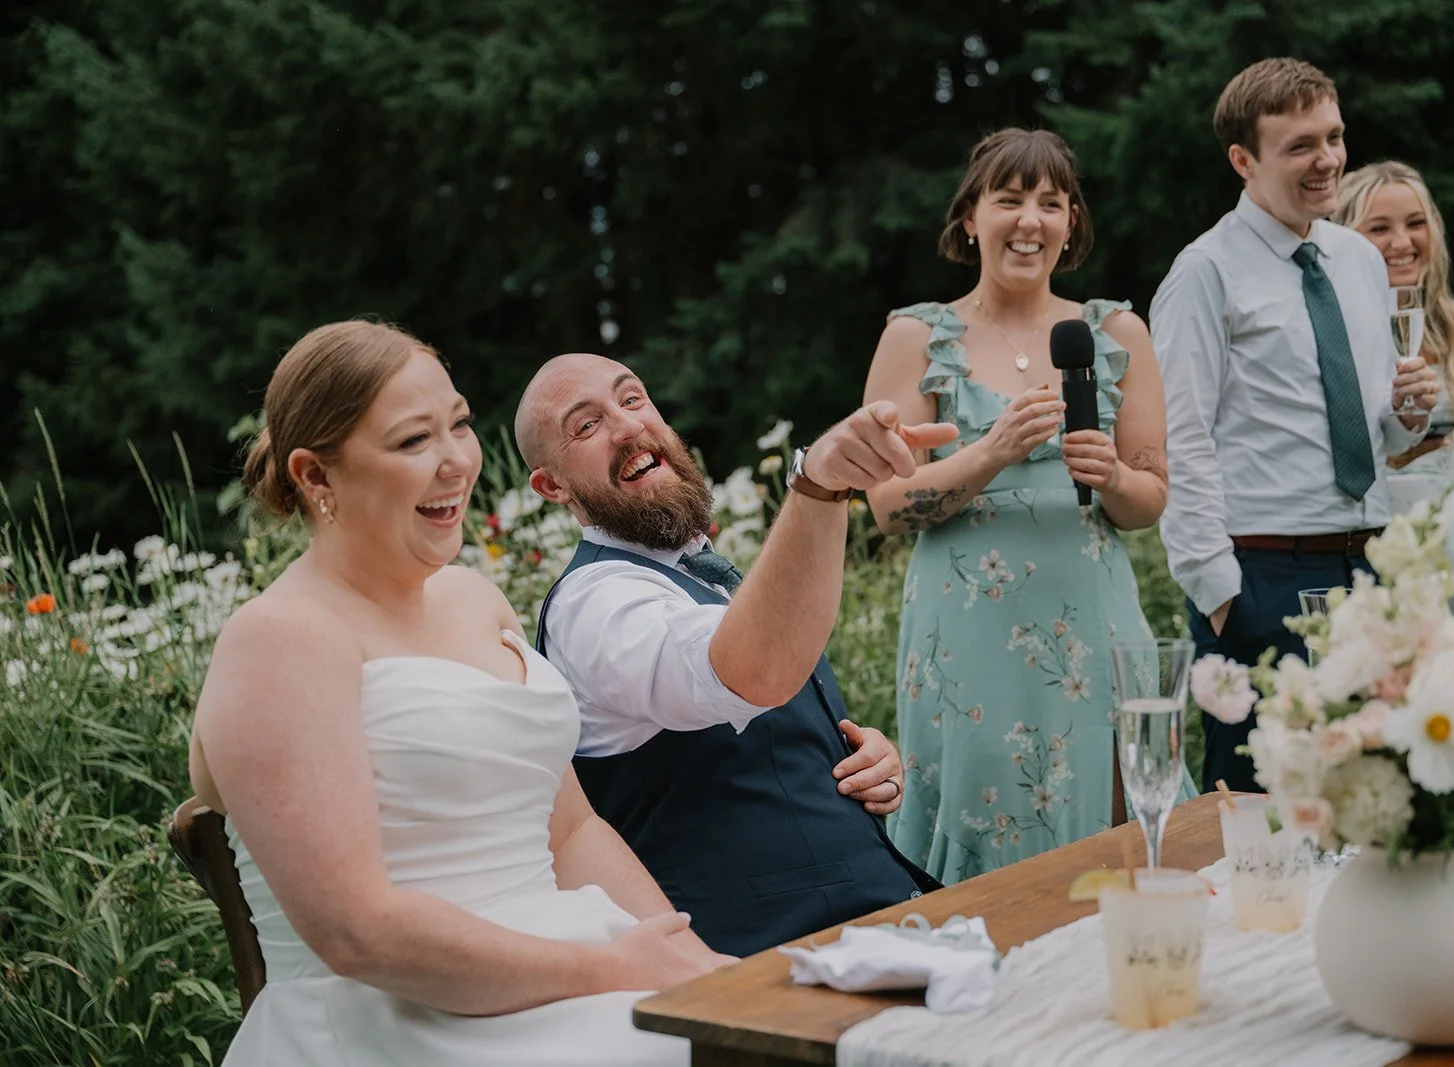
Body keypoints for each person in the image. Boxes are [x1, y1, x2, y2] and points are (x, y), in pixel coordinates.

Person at [190, 321, 724, 1066]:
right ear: (316, 477)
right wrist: (611, 970)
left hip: (571, 969)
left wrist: (692, 966)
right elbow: (355, 933)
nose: (457, 462)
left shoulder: (476, 598)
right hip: (403, 1017)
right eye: (414, 440)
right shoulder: (280, 639)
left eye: (460, 424)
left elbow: (571, 831)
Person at [517, 354, 949, 956]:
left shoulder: (699, 573)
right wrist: (817, 485)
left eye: (632, 399)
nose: (628, 426)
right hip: (759, 961)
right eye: (586, 425)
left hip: (876, 925)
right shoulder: (593, 604)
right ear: (552, 486)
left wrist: (857, 757)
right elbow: (749, 671)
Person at [860, 127, 1181, 884]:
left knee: (1119, 837)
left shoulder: (1114, 331)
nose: (1030, 220)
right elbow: (886, 507)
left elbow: (1149, 501)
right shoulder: (916, 337)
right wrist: (990, 452)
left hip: (1093, 628)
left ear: (1072, 223)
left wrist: (1113, 476)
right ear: (970, 217)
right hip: (966, 642)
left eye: (1051, 203)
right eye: (1009, 200)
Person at [1151, 59, 1439, 794]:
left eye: (1334, 137)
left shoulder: (1359, 260)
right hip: (1260, 578)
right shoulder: (1204, 272)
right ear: (1243, 161)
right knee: (1260, 809)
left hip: (1368, 569)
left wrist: (1406, 412)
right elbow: (1180, 438)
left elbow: (1381, 435)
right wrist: (1222, 595)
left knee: (1372, 795)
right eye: (1301, 145)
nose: (1328, 160)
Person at [1333, 160, 1454, 607]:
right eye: (1380, 228)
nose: (1402, 242)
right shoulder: (1331, 334)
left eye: (1415, 223)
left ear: (1434, 227)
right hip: (1364, 545)